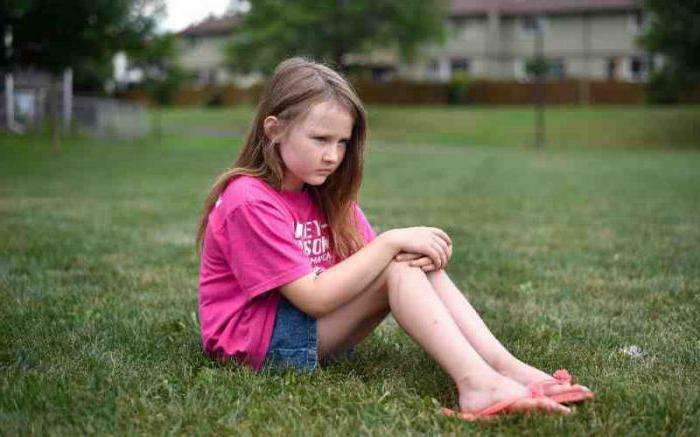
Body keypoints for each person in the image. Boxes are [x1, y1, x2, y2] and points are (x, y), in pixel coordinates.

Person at [196, 58, 593, 421]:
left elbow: (372, 262)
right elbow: (314, 297)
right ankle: (477, 386)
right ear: (274, 129)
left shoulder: (324, 192)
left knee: (405, 262)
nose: (333, 156)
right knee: (396, 265)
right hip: (254, 343)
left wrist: (421, 250)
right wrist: (390, 242)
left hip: (302, 327)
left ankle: (503, 367)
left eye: (342, 142)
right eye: (320, 139)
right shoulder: (248, 199)